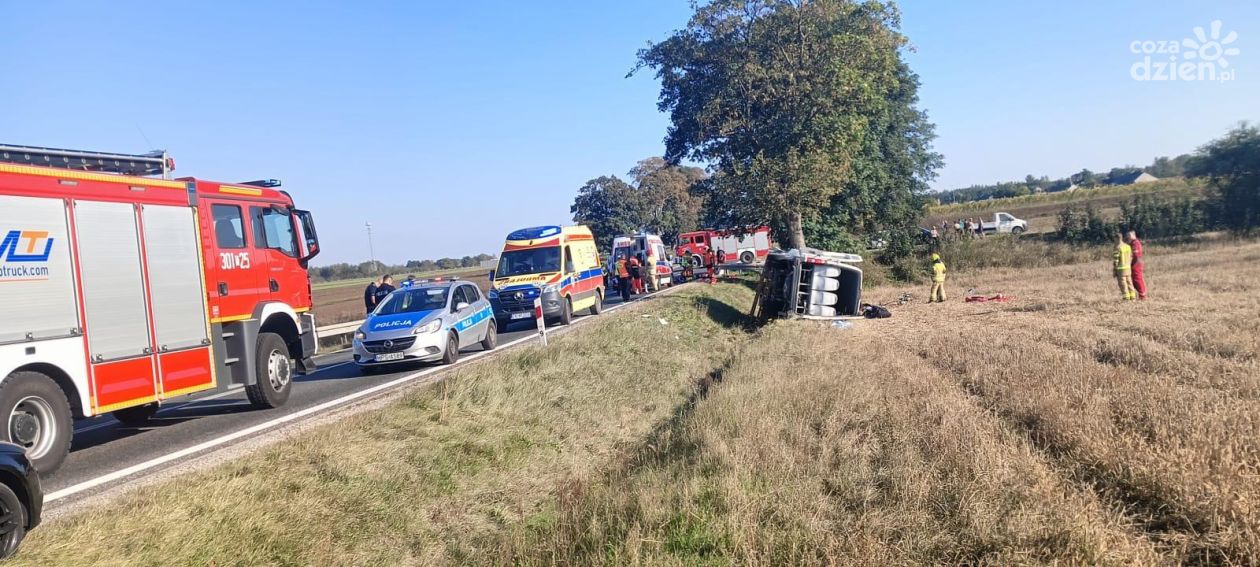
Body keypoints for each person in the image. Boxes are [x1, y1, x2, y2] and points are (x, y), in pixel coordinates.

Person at [1112, 233, 1135, 301]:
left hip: (1121, 269)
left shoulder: (1117, 247)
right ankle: (1133, 297)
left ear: (1116, 238)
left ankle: (1126, 298)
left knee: (1123, 284)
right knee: (1129, 283)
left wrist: (1114, 270)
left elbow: (1116, 260)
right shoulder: (1128, 246)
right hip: (1128, 268)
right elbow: (1131, 256)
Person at [1127, 230, 1147, 300]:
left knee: (1137, 279)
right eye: (1127, 235)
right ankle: (1140, 294)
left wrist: (1131, 262)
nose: (1128, 237)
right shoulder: (1131, 243)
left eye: (1129, 235)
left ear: (1133, 235)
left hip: (1136, 263)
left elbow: (1135, 255)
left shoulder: (1135, 243)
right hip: (1134, 263)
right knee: (1134, 280)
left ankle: (1142, 295)